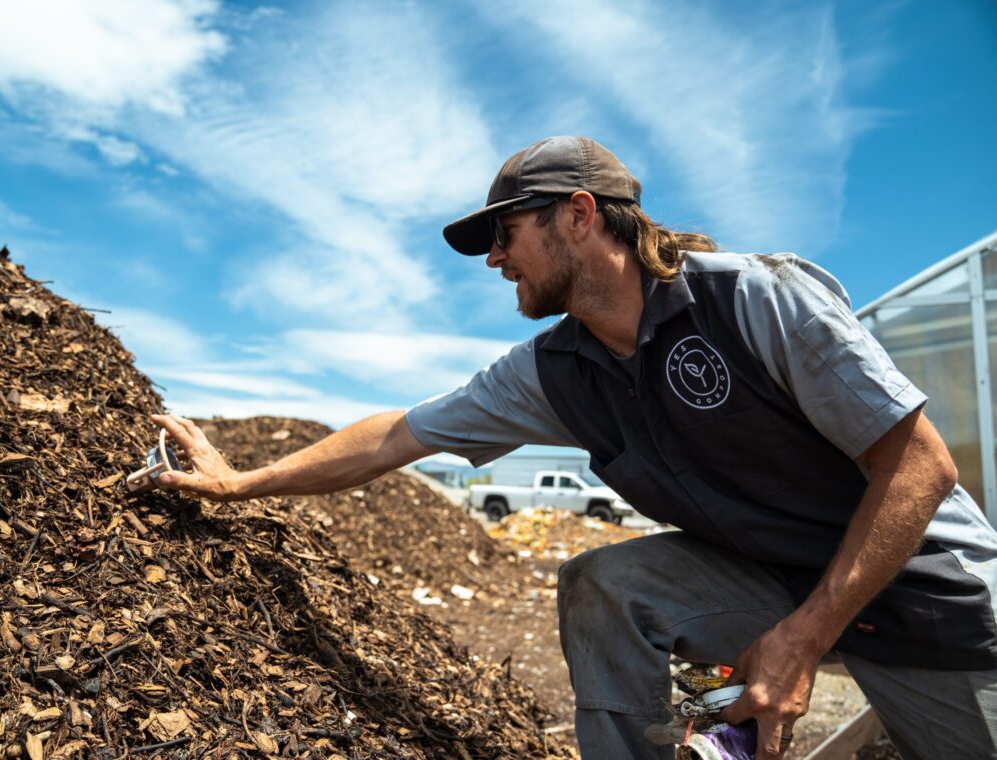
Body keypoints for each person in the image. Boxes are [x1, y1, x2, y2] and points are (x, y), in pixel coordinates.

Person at [152, 136, 997, 760]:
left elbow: (919, 466)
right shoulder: (556, 371)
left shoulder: (756, 301)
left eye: (505, 234)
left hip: (933, 608)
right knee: (605, 582)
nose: (493, 259)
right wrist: (240, 484)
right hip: (777, 584)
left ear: (579, 215)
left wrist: (805, 639)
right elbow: (396, 436)